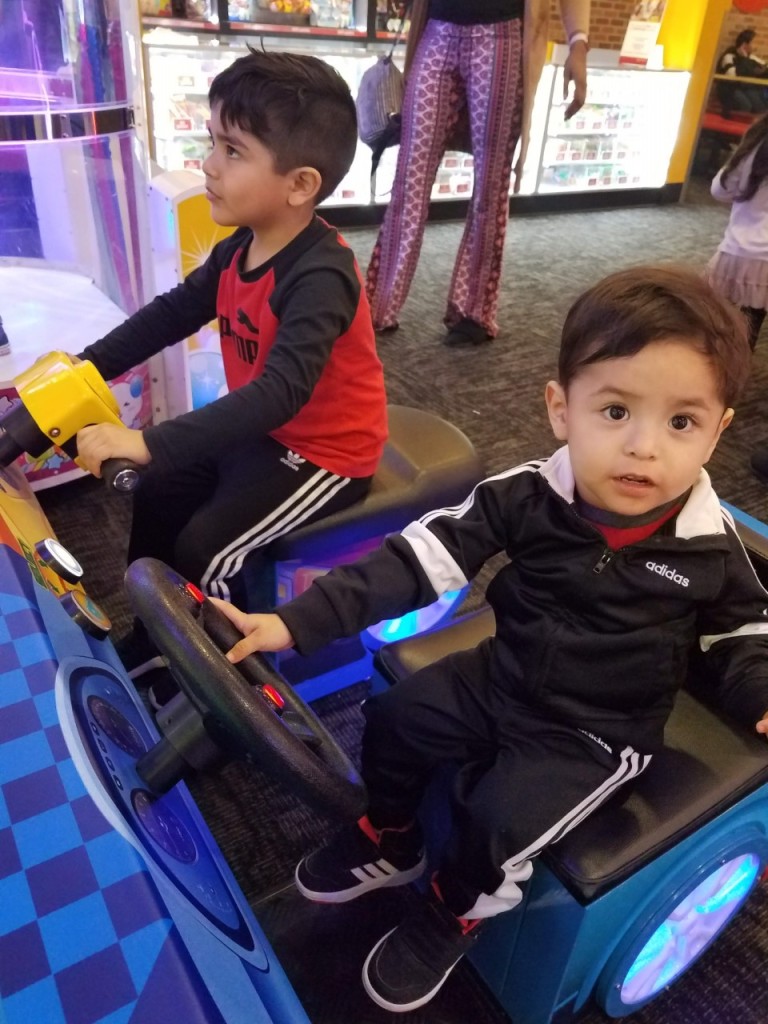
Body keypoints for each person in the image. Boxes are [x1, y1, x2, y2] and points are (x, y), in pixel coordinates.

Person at [212, 265, 768, 1014]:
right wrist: (298, 621)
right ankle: (393, 836)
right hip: (501, 674)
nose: (644, 448)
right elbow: (420, 556)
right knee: (395, 717)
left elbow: (743, 628)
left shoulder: (709, 546)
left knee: (499, 821)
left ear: (718, 430)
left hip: (597, 732)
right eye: (615, 411)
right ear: (561, 409)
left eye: (681, 423)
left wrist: (758, 691)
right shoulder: (527, 494)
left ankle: (456, 912)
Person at [74, 50, 388, 650]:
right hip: (268, 431)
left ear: (300, 185)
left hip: (325, 456)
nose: (209, 164)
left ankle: (213, 672)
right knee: (157, 486)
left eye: (233, 151)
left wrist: (148, 440)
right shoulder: (238, 248)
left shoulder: (321, 274)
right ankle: (153, 634)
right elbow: (170, 315)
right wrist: (84, 366)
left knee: (207, 550)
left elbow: (280, 393)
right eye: (213, 142)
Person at [365, 0, 590, 347]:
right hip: (437, 30)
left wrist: (578, 42)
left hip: (502, 35)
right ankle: (377, 305)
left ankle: (473, 310)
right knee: (409, 176)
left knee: (490, 183)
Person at [705, 110, 768, 351]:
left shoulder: (756, 142)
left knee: (717, 319)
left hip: (736, 250)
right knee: (752, 324)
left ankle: (712, 365)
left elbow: (719, 190)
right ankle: (738, 367)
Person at [716, 28, 768, 117]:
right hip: (730, 89)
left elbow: (763, 67)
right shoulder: (729, 56)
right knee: (746, 105)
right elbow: (732, 76)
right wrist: (744, 59)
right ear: (744, 44)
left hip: (745, 88)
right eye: (754, 43)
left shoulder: (751, 57)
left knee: (761, 106)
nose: (756, 46)